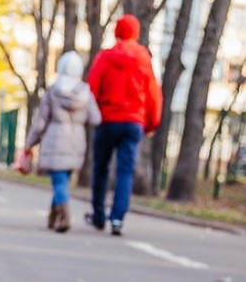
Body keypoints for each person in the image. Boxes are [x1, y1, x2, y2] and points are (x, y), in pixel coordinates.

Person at [86, 14, 162, 236]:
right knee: (125, 171)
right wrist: (150, 123)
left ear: (116, 32)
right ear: (136, 33)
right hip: (133, 122)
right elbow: (153, 94)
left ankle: (99, 215)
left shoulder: (105, 57)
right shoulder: (144, 59)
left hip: (107, 120)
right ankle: (117, 218)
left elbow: (92, 88)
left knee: (100, 168)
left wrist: (95, 113)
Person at [23, 51, 101, 232]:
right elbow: (96, 118)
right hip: (76, 142)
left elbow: (41, 122)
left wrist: (30, 143)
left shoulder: (54, 91)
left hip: (55, 141)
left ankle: (64, 216)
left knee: (58, 182)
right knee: (62, 181)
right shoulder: (85, 92)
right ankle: (53, 216)